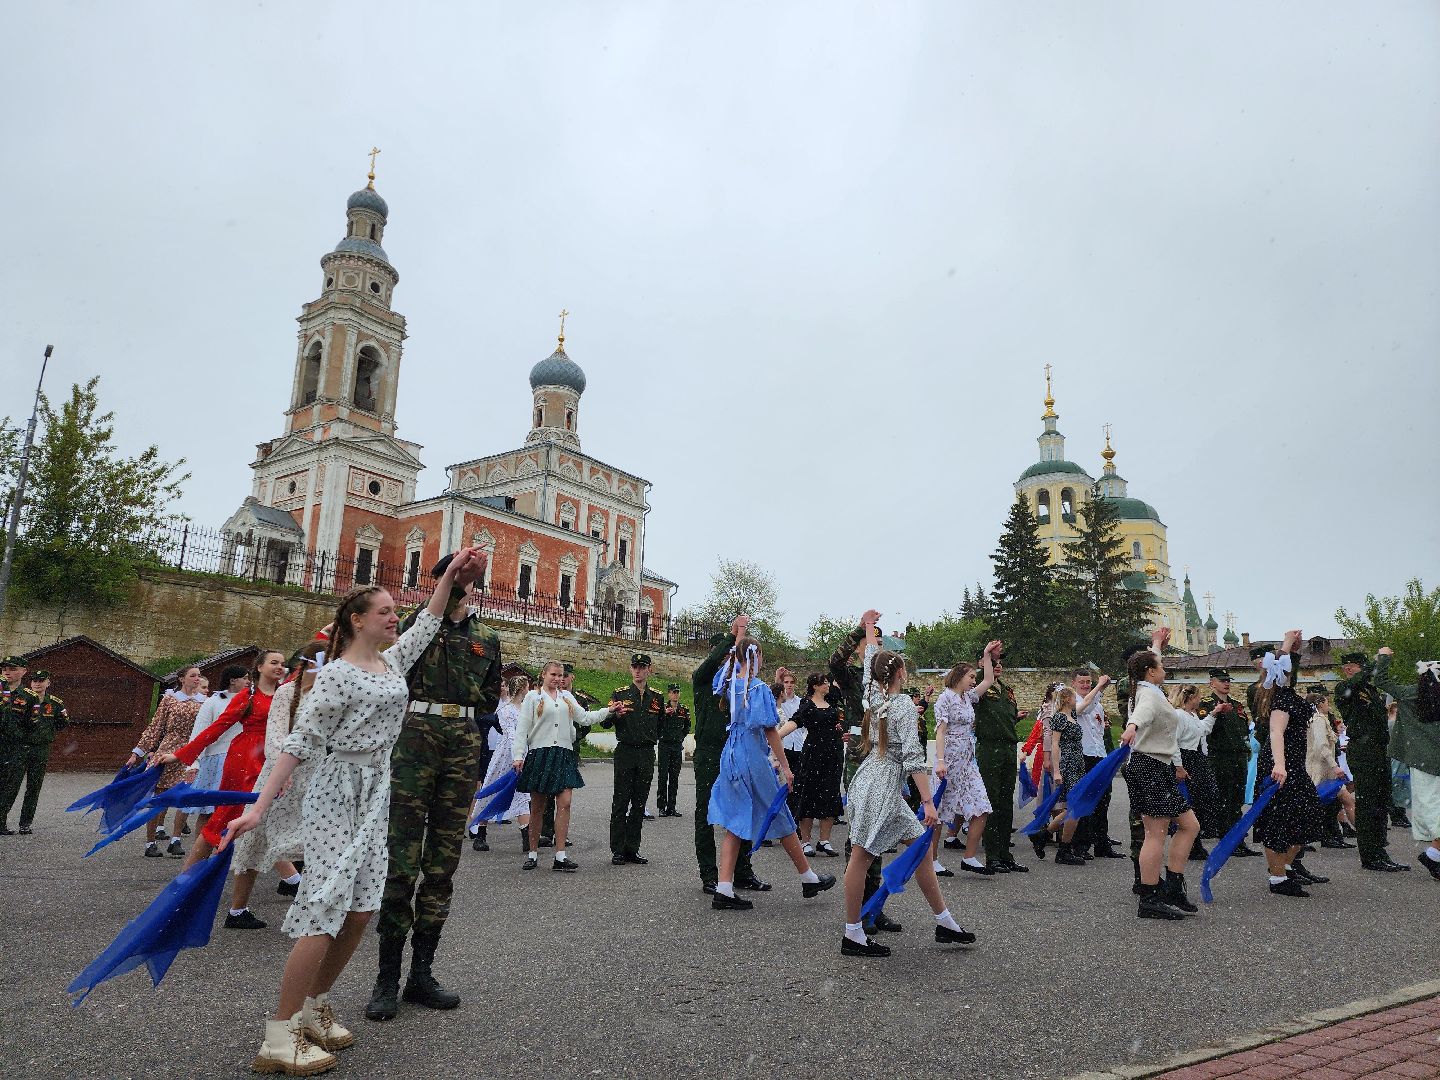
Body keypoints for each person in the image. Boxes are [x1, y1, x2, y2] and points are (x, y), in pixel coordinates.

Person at [221, 548, 483, 1075]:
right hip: (337, 789)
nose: (394, 617)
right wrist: (258, 809)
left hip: (376, 789)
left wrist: (453, 575)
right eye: (385, 611)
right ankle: (279, 1034)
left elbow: (429, 619)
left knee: (361, 911)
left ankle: (314, 1010)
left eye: (394, 610)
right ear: (357, 620)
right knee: (323, 909)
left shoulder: (392, 661)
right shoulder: (337, 675)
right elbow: (300, 742)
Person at [364, 551, 499, 1021]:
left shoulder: (486, 638)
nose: (464, 585)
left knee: (442, 863)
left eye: (468, 578)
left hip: (461, 743)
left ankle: (421, 973)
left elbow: (489, 697)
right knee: (401, 861)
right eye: (453, 577)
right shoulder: (413, 626)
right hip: (415, 740)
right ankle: (386, 976)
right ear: (440, 580)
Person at [840, 628, 973, 956]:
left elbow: (872, 660)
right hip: (881, 789)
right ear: (900, 673)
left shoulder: (873, 695)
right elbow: (914, 760)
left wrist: (869, 628)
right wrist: (928, 802)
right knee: (861, 857)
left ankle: (944, 922)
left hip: (871, 781)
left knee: (920, 850)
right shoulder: (900, 706)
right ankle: (852, 934)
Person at [706, 633, 835, 911]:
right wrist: (786, 767)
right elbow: (769, 730)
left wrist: (738, 637)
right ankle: (807, 877)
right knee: (779, 811)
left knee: (734, 820)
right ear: (757, 656)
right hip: (751, 755)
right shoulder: (757, 688)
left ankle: (724, 887)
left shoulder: (730, 683)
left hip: (730, 752)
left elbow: (723, 676)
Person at [156, 651, 288, 879]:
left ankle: (290, 879)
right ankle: (187, 876)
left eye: (282, 664)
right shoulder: (247, 696)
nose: (279, 667)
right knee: (226, 815)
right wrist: (181, 755)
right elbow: (216, 729)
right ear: (258, 667)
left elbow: (308, 664)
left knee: (267, 816)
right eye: (274, 662)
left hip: (273, 759)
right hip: (245, 758)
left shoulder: (286, 695)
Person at [230, 649, 320, 923]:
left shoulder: (333, 692)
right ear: (306, 665)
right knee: (253, 839)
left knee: (316, 841)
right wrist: (284, 771)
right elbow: (275, 738)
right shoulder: (287, 693)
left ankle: (314, 909)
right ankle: (237, 910)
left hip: (316, 776)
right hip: (282, 775)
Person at [1119, 628, 1202, 920]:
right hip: (1148, 766)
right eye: (1161, 666)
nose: (1164, 668)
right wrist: (1131, 729)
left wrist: (1157, 644)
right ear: (1151, 672)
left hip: (1159, 765)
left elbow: (1150, 664)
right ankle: (1149, 897)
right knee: (1156, 833)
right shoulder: (1147, 697)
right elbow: (1140, 715)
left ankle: (1173, 887)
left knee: (1190, 825)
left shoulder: (1148, 687)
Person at [512, 661, 625, 873]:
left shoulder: (567, 698)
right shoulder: (533, 697)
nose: (557, 679)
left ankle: (560, 856)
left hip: (564, 754)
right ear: (543, 675)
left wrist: (608, 710)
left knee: (565, 803)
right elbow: (522, 728)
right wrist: (518, 755)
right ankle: (533, 854)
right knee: (537, 807)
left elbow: (584, 718)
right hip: (540, 753)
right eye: (553, 674)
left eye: (561, 675)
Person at [829, 611, 902, 931]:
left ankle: (874, 906)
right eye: (870, 640)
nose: (874, 644)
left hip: (884, 758)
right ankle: (857, 909)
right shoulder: (851, 676)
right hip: (859, 758)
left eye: (877, 640)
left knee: (879, 832)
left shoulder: (885, 682)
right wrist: (860, 626)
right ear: (860, 646)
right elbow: (833, 662)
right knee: (860, 834)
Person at [1251, 632, 1330, 896]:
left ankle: (1284, 866)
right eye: (1288, 668)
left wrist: (1292, 649)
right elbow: (1276, 732)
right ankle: (1277, 878)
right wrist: (1280, 766)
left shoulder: (1286, 693)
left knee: (1306, 814)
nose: (1292, 671)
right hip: (1280, 765)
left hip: (1293, 764)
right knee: (1278, 820)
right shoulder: (1279, 698)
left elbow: (1287, 665)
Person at [693, 615, 766, 896]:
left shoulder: (741, 687)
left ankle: (742, 872)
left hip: (734, 752)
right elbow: (712, 664)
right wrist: (734, 635)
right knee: (705, 814)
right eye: (726, 656)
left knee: (742, 811)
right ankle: (710, 875)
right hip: (709, 754)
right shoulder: (703, 681)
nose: (730, 662)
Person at [1335, 648, 1410, 872]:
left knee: (1380, 802)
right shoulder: (1345, 688)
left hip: (1378, 750)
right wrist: (1381, 659)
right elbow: (1364, 677)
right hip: (1363, 750)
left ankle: (1380, 850)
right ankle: (1369, 855)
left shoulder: (1369, 690)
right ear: (1349, 668)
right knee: (1367, 805)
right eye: (1361, 666)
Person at [931, 645, 1000, 876]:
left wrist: (987, 655)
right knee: (940, 811)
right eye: (971, 676)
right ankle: (931, 860)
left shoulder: (968, 698)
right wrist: (940, 761)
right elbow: (940, 731)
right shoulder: (945, 699)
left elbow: (988, 679)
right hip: (949, 760)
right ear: (959, 676)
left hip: (968, 761)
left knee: (982, 807)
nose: (974, 680)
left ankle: (969, 858)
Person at [131, 666, 210, 858]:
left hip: (192, 750)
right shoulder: (170, 699)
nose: (197, 679)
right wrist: (138, 752)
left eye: (199, 676)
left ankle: (176, 839)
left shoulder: (205, 702)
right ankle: (151, 842)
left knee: (185, 796)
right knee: (159, 797)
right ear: (182, 679)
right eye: (193, 676)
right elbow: (156, 727)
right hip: (168, 748)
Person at [1376, 649, 1440, 881]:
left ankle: (1433, 855)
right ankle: (1433, 855)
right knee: (1435, 812)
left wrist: (1383, 657)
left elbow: (1381, 680)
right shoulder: (1417, 696)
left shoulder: (1411, 694)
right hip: (1429, 762)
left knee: (1432, 810)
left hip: (1423, 762)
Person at [603, 653, 664, 866]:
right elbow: (605, 723)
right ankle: (618, 849)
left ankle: (632, 848)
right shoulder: (620, 694)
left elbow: (662, 725)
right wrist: (615, 715)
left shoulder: (657, 697)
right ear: (630, 669)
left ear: (649, 669)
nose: (638, 670)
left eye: (642, 667)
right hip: (626, 751)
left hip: (646, 752)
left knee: (639, 802)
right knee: (621, 801)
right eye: (635, 667)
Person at [974, 650, 1028, 874]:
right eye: (992, 661)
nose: (998, 665)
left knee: (1006, 803)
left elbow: (1003, 718)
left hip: (1007, 747)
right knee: (992, 802)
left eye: (1000, 662)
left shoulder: (1006, 690)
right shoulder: (980, 683)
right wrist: (987, 658)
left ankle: (1005, 854)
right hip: (989, 748)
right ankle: (992, 855)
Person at [779, 673, 844, 856]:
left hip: (832, 755)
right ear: (815, 686)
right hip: (813, 754)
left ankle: (824, 840)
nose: (827, 686)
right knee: (808, 795)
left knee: (830, 794)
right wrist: (776, 737)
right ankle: (806, 841)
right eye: (824, 683)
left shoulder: (832, 702)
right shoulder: (807, 705)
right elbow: (795, 721)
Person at [1197, 667, 1259, 857]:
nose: (1227, 683)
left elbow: (1243, 731)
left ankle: (1238, 840)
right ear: (1212, 683)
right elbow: (1204, 729)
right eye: (1222, 680)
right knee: (1224, 800)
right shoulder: (1207, 705)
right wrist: (1216, 712)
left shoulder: (1237, 705)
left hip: (1238, 757)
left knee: (1237, 799)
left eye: (1228, 680)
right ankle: (1228, 841)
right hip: (1219, 757)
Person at [0, 668, 68, 834]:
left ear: (48, 683)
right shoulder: (22, 698)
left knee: (33, 787)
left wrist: (46, 732)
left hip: (40, 749)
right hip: (21, 747)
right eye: (35, 681)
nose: (37, 683)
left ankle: (25, 823)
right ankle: (1, 821)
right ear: (30, 683)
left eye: (41, 681)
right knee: (11, 786)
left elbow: (63, 722)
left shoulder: (55, 703)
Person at [186, 664, 251, 831]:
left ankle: (225, 852)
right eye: (244, 678)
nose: (248, 681)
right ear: (232, 680)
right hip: (216, 760)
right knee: (209, 811)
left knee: (238, 810)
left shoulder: (250, 701)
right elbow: (199, 732)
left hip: (242, 760)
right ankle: (201, 854)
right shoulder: (213, 702)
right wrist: (193, 763)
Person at [474, 674, 534, 853]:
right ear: (522, 688)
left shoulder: (526, 709)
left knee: (522, 794)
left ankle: (527, 837)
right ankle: (480, 833)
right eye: (527, 686)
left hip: (522, 753)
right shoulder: (506, 710)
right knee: (492, 790)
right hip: (506, 755)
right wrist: (519, 754)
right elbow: (511, 734)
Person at [1072, 669, 1123, 859]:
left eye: (1088, 682)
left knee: (1103, 801)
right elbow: (1083, 708)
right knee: (1085, 801)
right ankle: (1081, 845)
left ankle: (1102, 843)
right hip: (1083, 756)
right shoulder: (1072, 701)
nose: (1086, 685)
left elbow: (1099, 732)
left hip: (1099, 755)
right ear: (1074, 683)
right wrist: (1100, 687)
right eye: (1082, 682)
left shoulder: (1098, 706)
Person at [1305, 686, 1356, 849]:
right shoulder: (1318, 720)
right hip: (1321, 768)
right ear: (1320, 704)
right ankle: (1302, 837)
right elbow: (1321, 745)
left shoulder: (1320, 719)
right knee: (1319, 804)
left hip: (1327, 768)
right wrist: (1335, 766)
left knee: (1338, 801)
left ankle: (1335, 836)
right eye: (1327, 702)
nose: (1329, 705)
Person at [1171, 684, 1218, 860]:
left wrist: (1213, 714)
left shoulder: (1192, 715)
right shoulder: (1178, 716)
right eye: (1198, 696)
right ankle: (1190, 844)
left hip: (1196, 758)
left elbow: (1202, 730)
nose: (1200, 699)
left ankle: (1195, 841)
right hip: (1186, 758)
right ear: (1190, 698)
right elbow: (1173, 742)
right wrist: (1178, 766)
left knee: (1199, 800)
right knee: (1189, 801)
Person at [0, 656, 29, 835]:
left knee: (9, 788)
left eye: (12, 668)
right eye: (4, 669)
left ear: (23, 671)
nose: (7, 672)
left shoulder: (29, 697)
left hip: (15, 749)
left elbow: (34, 723)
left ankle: (1, 821)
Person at [656, 683, 689, 817]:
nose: (675, 694)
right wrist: (664, 714)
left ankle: (672, 807)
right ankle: (661, 807)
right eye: (673, 692)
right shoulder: (662, 708)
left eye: (677, 692)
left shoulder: (683, 709)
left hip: (676, 746)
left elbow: (687, 726)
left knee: (674, 778)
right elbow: (657, 723)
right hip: (664, 745)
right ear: (668, 694)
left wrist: (680, 737)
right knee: (663, 777)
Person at [774, 668, 804, 819]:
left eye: (792, 682)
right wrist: (777, 679)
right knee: (780, 785)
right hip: (782, 746)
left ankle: (793, 820)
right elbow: (773, 695)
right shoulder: (780, 702)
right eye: (786, 682)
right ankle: (779, 819)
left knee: (796, 786)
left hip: (798, 747)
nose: (789, 685)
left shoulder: (802, 702)